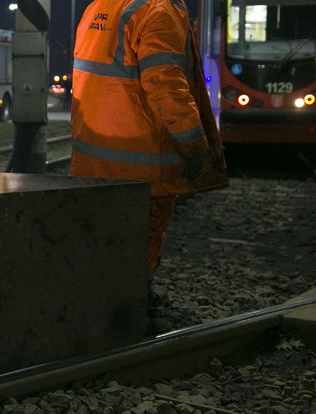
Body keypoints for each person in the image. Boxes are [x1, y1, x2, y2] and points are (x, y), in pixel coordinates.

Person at [70, 0, 228, 332]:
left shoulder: (100, 6)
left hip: (95, 153)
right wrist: (194, 145)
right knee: (144, 230)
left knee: (106, 232)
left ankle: (107, 304)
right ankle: (131, 312)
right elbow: (166, 84)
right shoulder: (159, 11)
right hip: (141, 154)